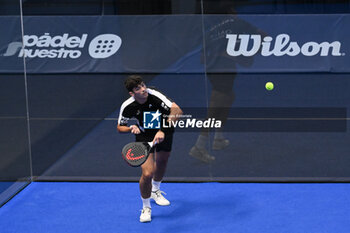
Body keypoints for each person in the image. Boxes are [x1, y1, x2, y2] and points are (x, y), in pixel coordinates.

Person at [117, 75, 182, 223]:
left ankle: (155, 190)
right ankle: (146, 207)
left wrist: (162, 130)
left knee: (163, 161)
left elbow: (177, 110)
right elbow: (119, 127)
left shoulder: (154, 95)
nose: (143, 89)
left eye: (143, 85)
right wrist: (130, 128)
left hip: (164, 132)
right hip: (144, 136)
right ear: (132, 93)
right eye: (138, 88)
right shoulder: (128, 106)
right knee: (147, 173)